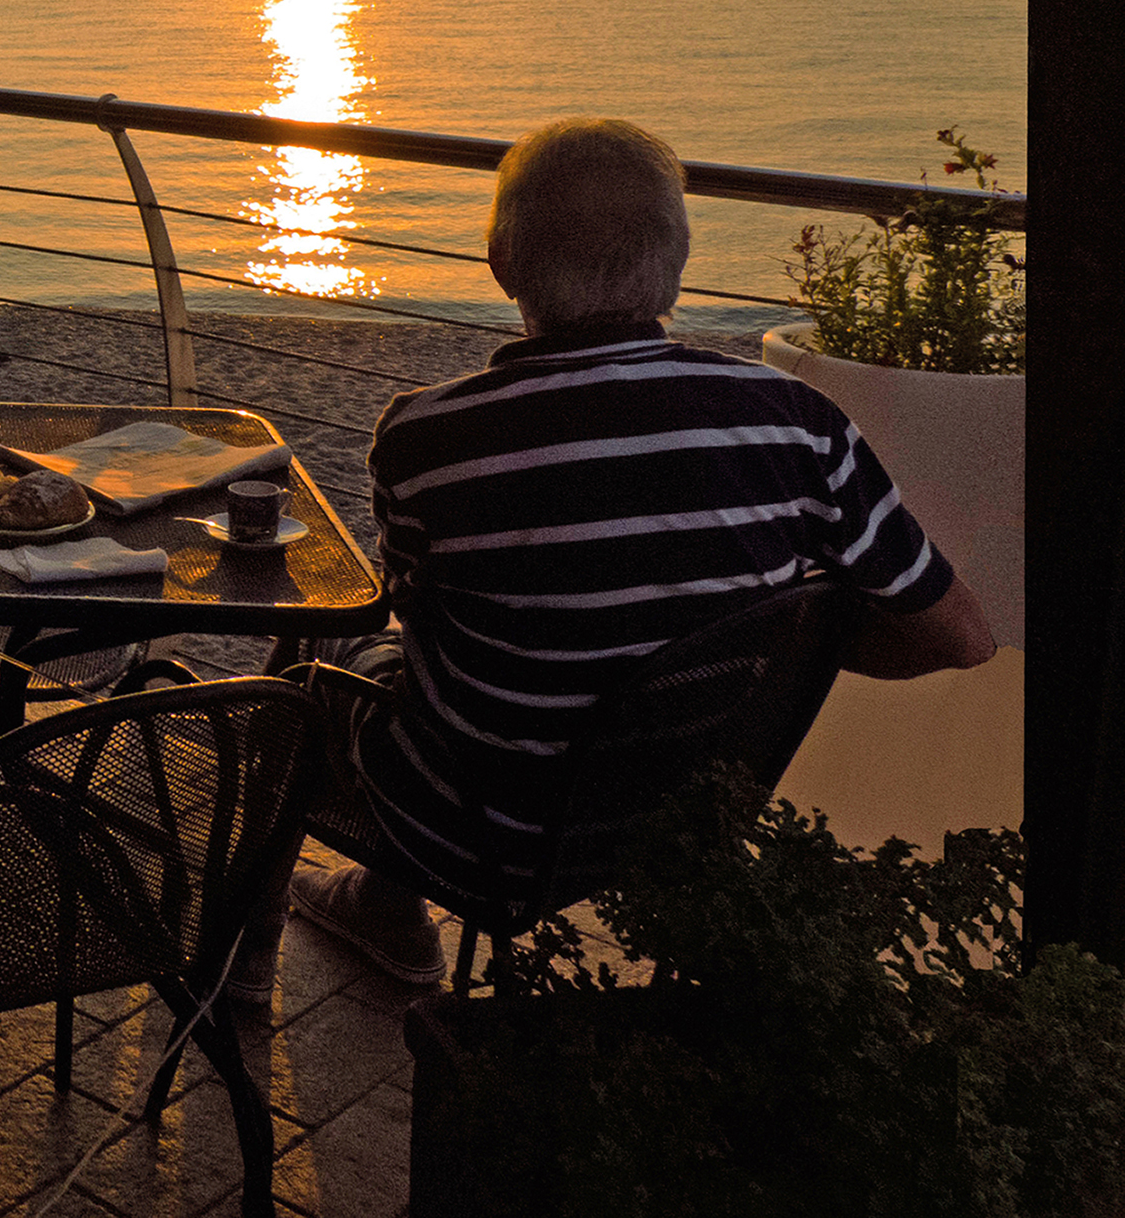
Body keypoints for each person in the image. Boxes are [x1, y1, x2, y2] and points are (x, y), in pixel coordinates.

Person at [240, 117, 996, 998]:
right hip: (678, 817)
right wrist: (803, 637)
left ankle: (247, 960)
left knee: (298, 676)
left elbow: (417, 616)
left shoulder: (428, 436)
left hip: (486, 834)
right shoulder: (796, 423)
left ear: (501, 262)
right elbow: (963, 636)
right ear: (674, 262)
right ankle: (376, 905)